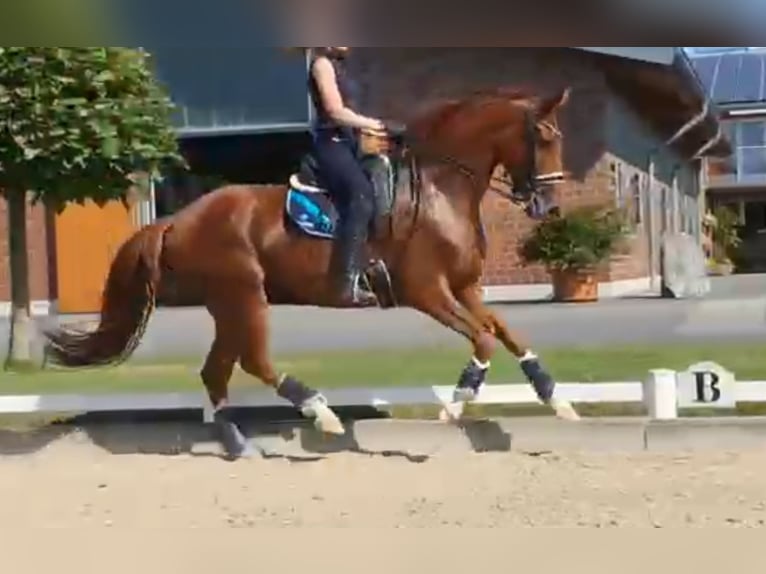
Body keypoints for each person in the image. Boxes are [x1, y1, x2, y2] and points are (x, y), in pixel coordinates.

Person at [305, 47, 388, 307]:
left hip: (351, 143)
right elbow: (334, 110)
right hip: (331, 143)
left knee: (383, 180)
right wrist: (372, 124)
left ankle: (375, 262)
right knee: (360, 195)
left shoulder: (343, 67)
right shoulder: (322, 64)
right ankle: (344, 284)